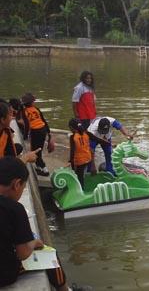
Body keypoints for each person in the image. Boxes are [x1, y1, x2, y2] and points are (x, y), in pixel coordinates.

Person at [0, 157, 69, 290]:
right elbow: (23, 253)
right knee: (50, 255)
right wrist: (34, 243)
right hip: (4, 275)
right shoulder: (15, 209)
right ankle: (64, 289)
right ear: (17, 184)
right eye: (23, 188)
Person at [21, 93, 52, 176]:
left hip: (35, 131)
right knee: (39, 149)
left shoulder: (24, 111)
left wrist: (25, 136)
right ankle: (38, 168)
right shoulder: (36, 109)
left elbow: (27, 125)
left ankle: (44, 170)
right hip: (43, 130)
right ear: (32, 102)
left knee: (36, 151)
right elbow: (43, 120)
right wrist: (49, 133)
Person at [68, 119, 94, 188]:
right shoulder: (86, 133)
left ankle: (81, 190)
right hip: (88, 158)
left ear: (71, 128)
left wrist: (71, 163)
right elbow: (96, 139)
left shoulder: (73, 137)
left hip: (79, 161)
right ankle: (88, 186)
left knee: (79, 178)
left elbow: (72, 152)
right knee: (85, 174)